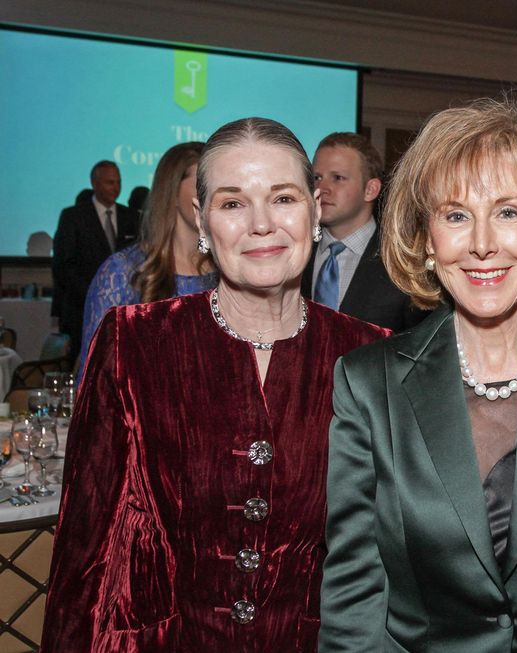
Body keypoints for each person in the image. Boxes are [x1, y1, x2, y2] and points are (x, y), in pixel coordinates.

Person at [42, 118, 388, 651]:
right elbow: (85, 559)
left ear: (315, 211)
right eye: (232, 203)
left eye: (283, 199)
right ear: (202, 221)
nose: (261, 224)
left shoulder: (372, 355)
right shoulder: (135, 344)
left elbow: (392, 564)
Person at [319, 100, 517, 652]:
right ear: (426, 239)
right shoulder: (368, 384)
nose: (482, 243)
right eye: (455, 215)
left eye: (509, 212)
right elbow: (354, 601)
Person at [77, 142, 217, 374]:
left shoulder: (234, 272)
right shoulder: (123, 273)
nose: (216, 194)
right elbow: (95, 381)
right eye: (203, 183)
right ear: (171, 190)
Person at [300, 132, 424, 331]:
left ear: (371, 190)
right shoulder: (294, 252)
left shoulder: (406, 261)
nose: (322, 188)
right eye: (317, 177)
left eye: (338, 178)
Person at [52, 160, 139, 361]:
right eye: (110, 183)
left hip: (123, 312)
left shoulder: (131, 217)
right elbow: (64, 265)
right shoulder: (73, 216)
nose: (116, 188)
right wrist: (96, 294)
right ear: (95, 183)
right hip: (81, 309)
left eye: (118, 182)